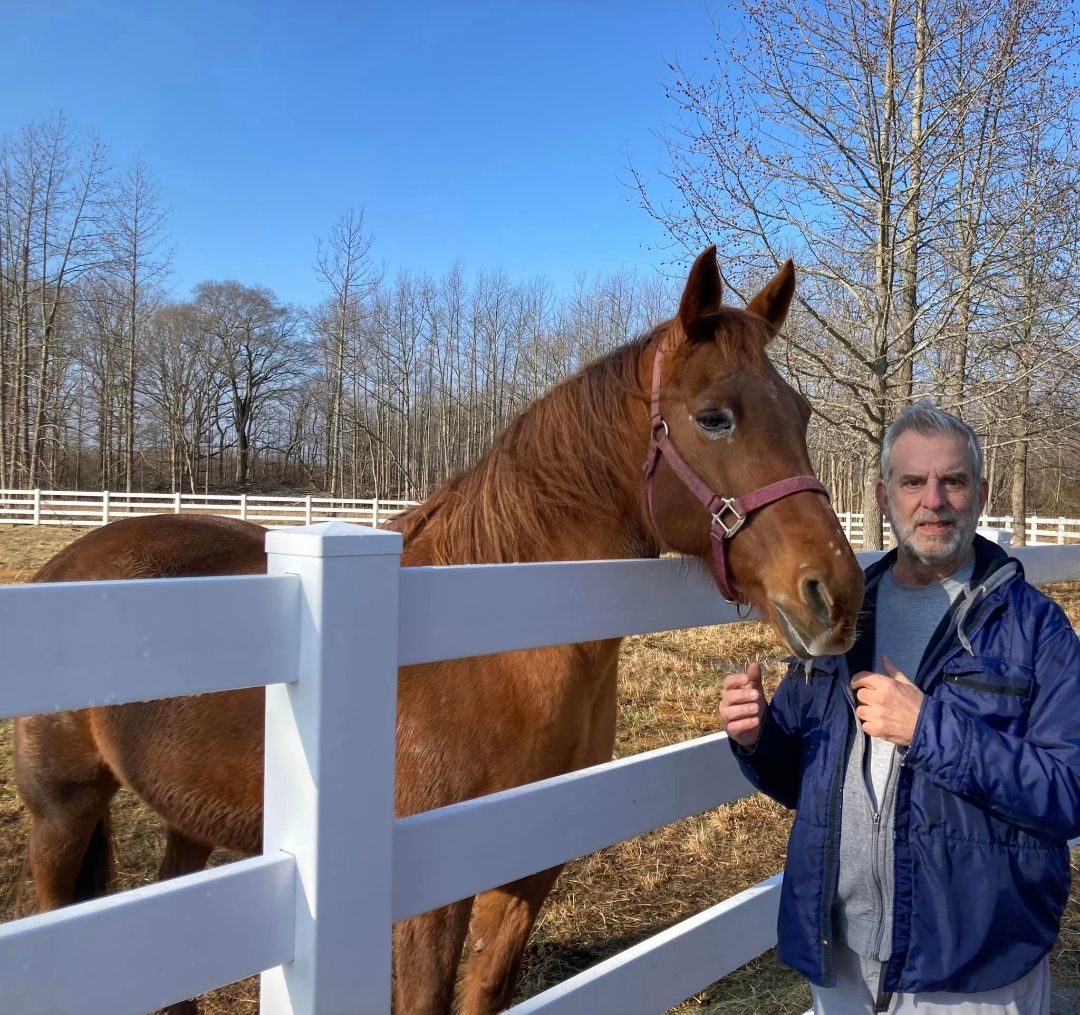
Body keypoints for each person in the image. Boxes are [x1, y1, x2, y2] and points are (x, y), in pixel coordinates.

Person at [720, 401, 1080, 1014]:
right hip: (840, 952)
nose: (933, 501)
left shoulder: (1034, 628)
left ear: (982, 494)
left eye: (953, 481)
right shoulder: (841, 612)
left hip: (971, 964)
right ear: (885, 495)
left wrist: (929, 730)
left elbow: (1068, 794)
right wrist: (756, 737)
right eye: (913, 481)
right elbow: (804, 778)